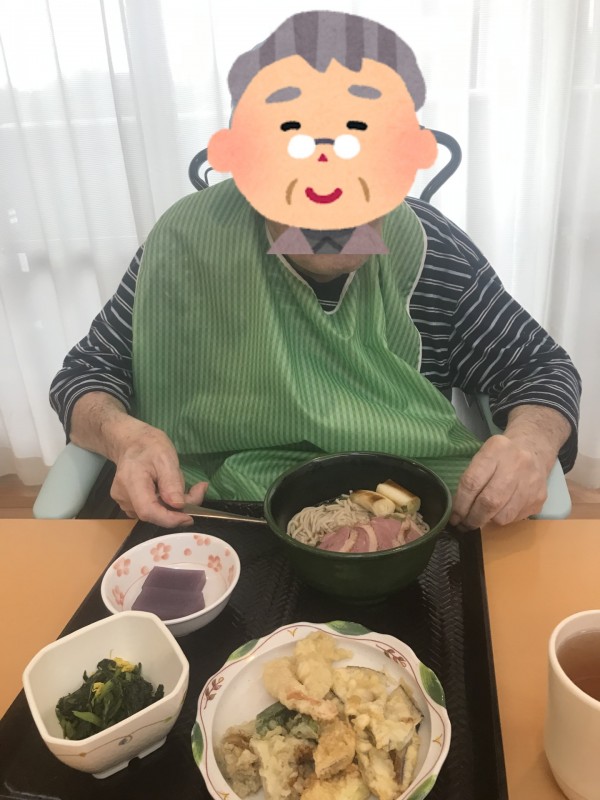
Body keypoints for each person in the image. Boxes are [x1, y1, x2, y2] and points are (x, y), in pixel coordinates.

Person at [50, 11, 581, 531]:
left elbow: (539, 368)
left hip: (398, 510)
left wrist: (530, 444)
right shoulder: (185, 243)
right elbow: (88, 372)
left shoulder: (431, 249)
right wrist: (126, 438)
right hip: (214, 510)